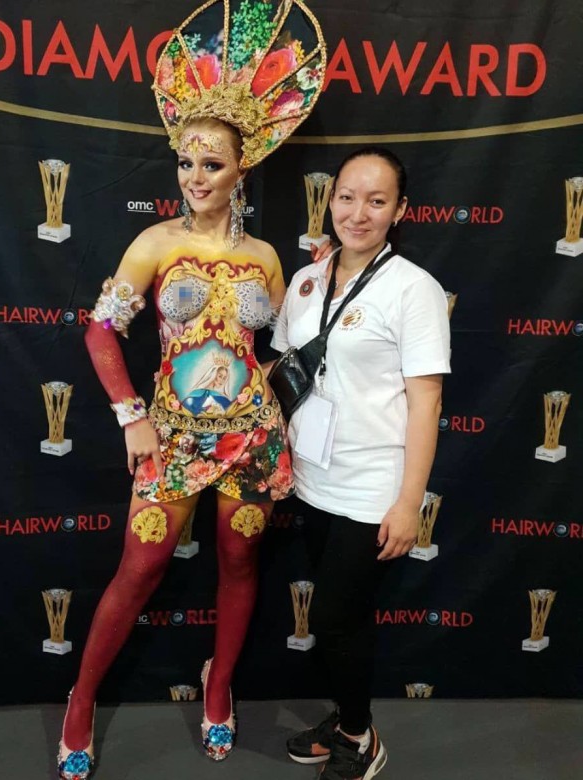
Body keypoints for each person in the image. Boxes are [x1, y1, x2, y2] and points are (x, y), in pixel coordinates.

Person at [56, 2, 327, 777]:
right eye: (185, 162)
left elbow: (272, 347)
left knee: (238, 564)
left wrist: (278, 378)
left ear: (242, 169)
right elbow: (100, 332)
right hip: (170, 435)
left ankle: (218, 688)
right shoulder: (154, 243)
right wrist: (130, 416)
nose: (195, 178)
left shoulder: (267, 258)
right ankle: (80, 699)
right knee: (139, 569)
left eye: (211, 165)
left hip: (249, 437)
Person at [272, 146, 451, 780]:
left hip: (373, 486)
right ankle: (347, 719)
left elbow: (427, 402)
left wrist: (409, 502)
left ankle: (359, 736)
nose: (357, 213)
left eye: (376, 201)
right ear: (330, 201)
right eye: (347, 197)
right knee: (337, 620)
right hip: (311, 479)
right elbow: (282, 372)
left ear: (399, 210)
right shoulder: (306, 281)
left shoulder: (413, 289)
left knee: (334, 618)